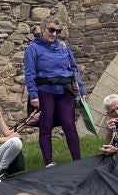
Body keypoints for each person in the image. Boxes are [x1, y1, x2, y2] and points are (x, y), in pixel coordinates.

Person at [23, 20, 86, 164]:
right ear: (43, 29)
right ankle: (49, 163)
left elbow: (74, 68)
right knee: (46, 126)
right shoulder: (33, 48)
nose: (54, 34)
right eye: (51, 30)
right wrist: (33, 95)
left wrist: (81, 89)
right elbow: (30, 73)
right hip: (45, 91)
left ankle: (78, 162)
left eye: (58, 31)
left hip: (65, 90)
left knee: (69, 125)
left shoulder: (63, 47)